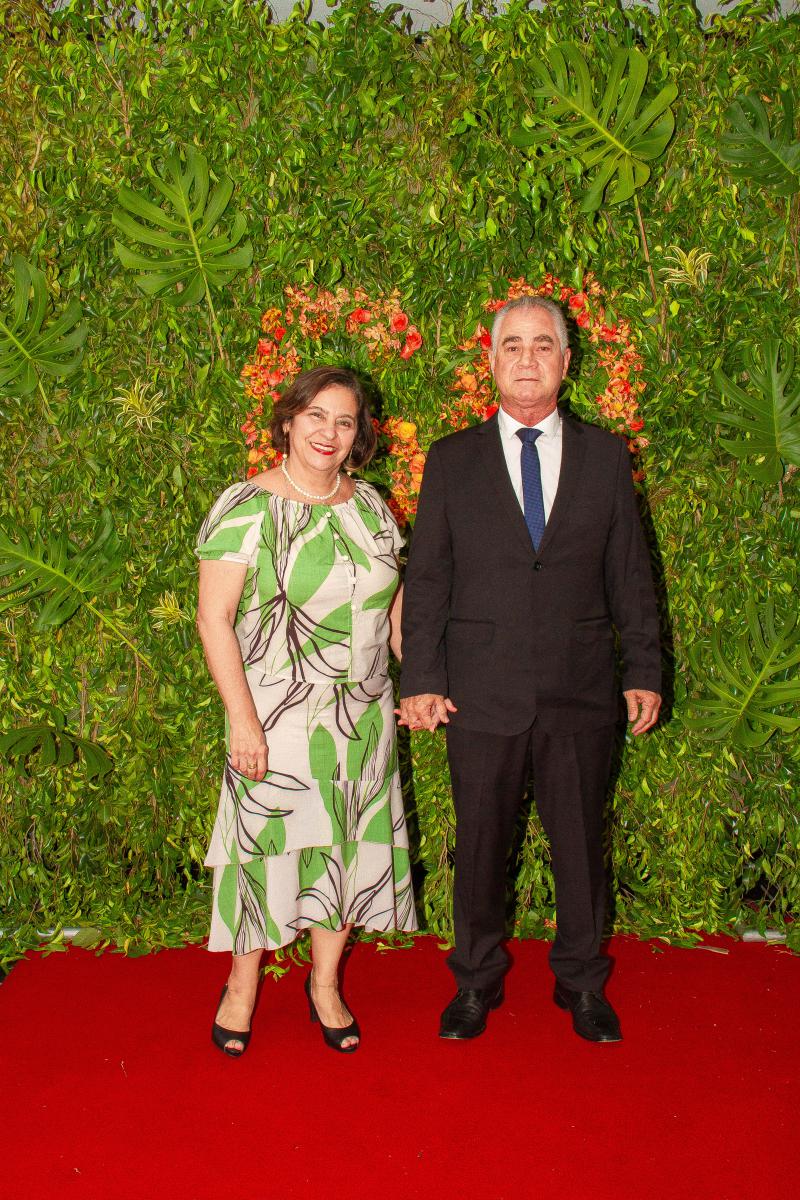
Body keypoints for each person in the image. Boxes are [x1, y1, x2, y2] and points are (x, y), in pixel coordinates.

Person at [398, 296, 661, 1043]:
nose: (526, 358)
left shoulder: (606, 457)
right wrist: (422, 678)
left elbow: (630, 573)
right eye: (512, 345)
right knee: (480, 850)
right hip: (480, 693)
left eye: (542, 345)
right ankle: (474, 982)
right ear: (490, 361)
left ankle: (582, 983)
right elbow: (429, 580)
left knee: (580, 851)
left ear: (566, 363)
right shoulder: (452, 460)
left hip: (582, 690)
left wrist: (644, 667)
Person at [196, 365, 416, 1056]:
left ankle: (324, 985)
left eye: (344, 421)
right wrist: (242, 721)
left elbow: (393, 600)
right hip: (275, 715)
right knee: (263, 853)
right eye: (316, 415)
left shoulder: (371, 505)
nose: (329, 432)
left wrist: (420, 676)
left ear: (358, 436)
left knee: (345, 850)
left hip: (363, 716)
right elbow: (213, 618)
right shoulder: (246, 506)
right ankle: (241, 989)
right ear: (288, 421)